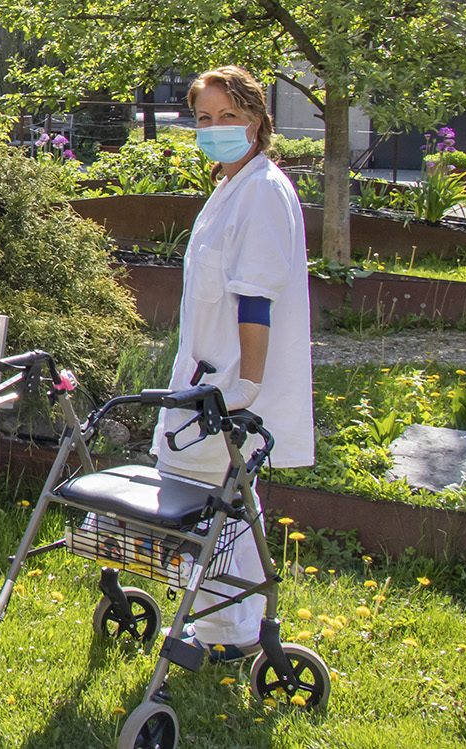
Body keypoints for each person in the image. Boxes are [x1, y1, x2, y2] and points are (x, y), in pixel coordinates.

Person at [152, 65, 313, 661]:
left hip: (230, 380)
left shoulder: (263, 191)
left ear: (257, 120)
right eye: (203, 118)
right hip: (208, 370)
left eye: (229, 116)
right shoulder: (232, 186)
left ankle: (232, 631)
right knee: (228, 497)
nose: (214, 128)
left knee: (215, 496)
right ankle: (233, 622)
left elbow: (255, 296)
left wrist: (245, 383)